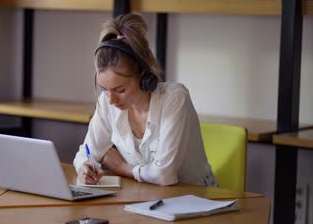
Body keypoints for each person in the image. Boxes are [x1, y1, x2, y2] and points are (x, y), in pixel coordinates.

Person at [73, 13, 217, 187]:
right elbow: (85, 153)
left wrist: (122, 167)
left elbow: (164, 175)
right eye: (105, 89)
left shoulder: (175, 99)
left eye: (120, 90)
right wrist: (84, 167)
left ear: (143, 77)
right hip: (146, 195)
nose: (111, 100)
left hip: (195, 198)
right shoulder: (107, 102)